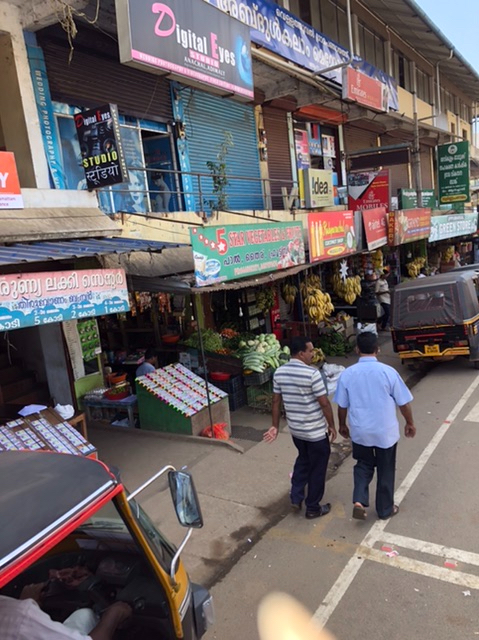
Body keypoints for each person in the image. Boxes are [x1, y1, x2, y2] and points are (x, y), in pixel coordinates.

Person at [333, 332, 416, 520]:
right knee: (386, 469)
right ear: (378, 349)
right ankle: (385, 510)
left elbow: (342, 406)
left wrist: (342, 425)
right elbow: (403, 403)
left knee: (363, 465)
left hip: (360, 431)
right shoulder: (388, 372)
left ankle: (359, 500)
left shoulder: (347, 374)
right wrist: (409, 423)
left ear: (357, 349)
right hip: (385, 433)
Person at [263, 336, 337, 519]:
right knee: (318, 468)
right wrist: (332, 425)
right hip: (315, 432)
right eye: (310, 351)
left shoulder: (279, 372)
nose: (313, 354)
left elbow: (276, 401)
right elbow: (324, 403)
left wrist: (274, 426)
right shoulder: (312, 374)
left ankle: (296, 497)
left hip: (296, 431)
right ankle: (313, 507)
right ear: (301, 353)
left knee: (303, 460)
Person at [0, 580, 132, 640]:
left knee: (84, 615)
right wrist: (114, 614)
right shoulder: (20, 614)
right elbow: (18, 621)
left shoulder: (17, 612)